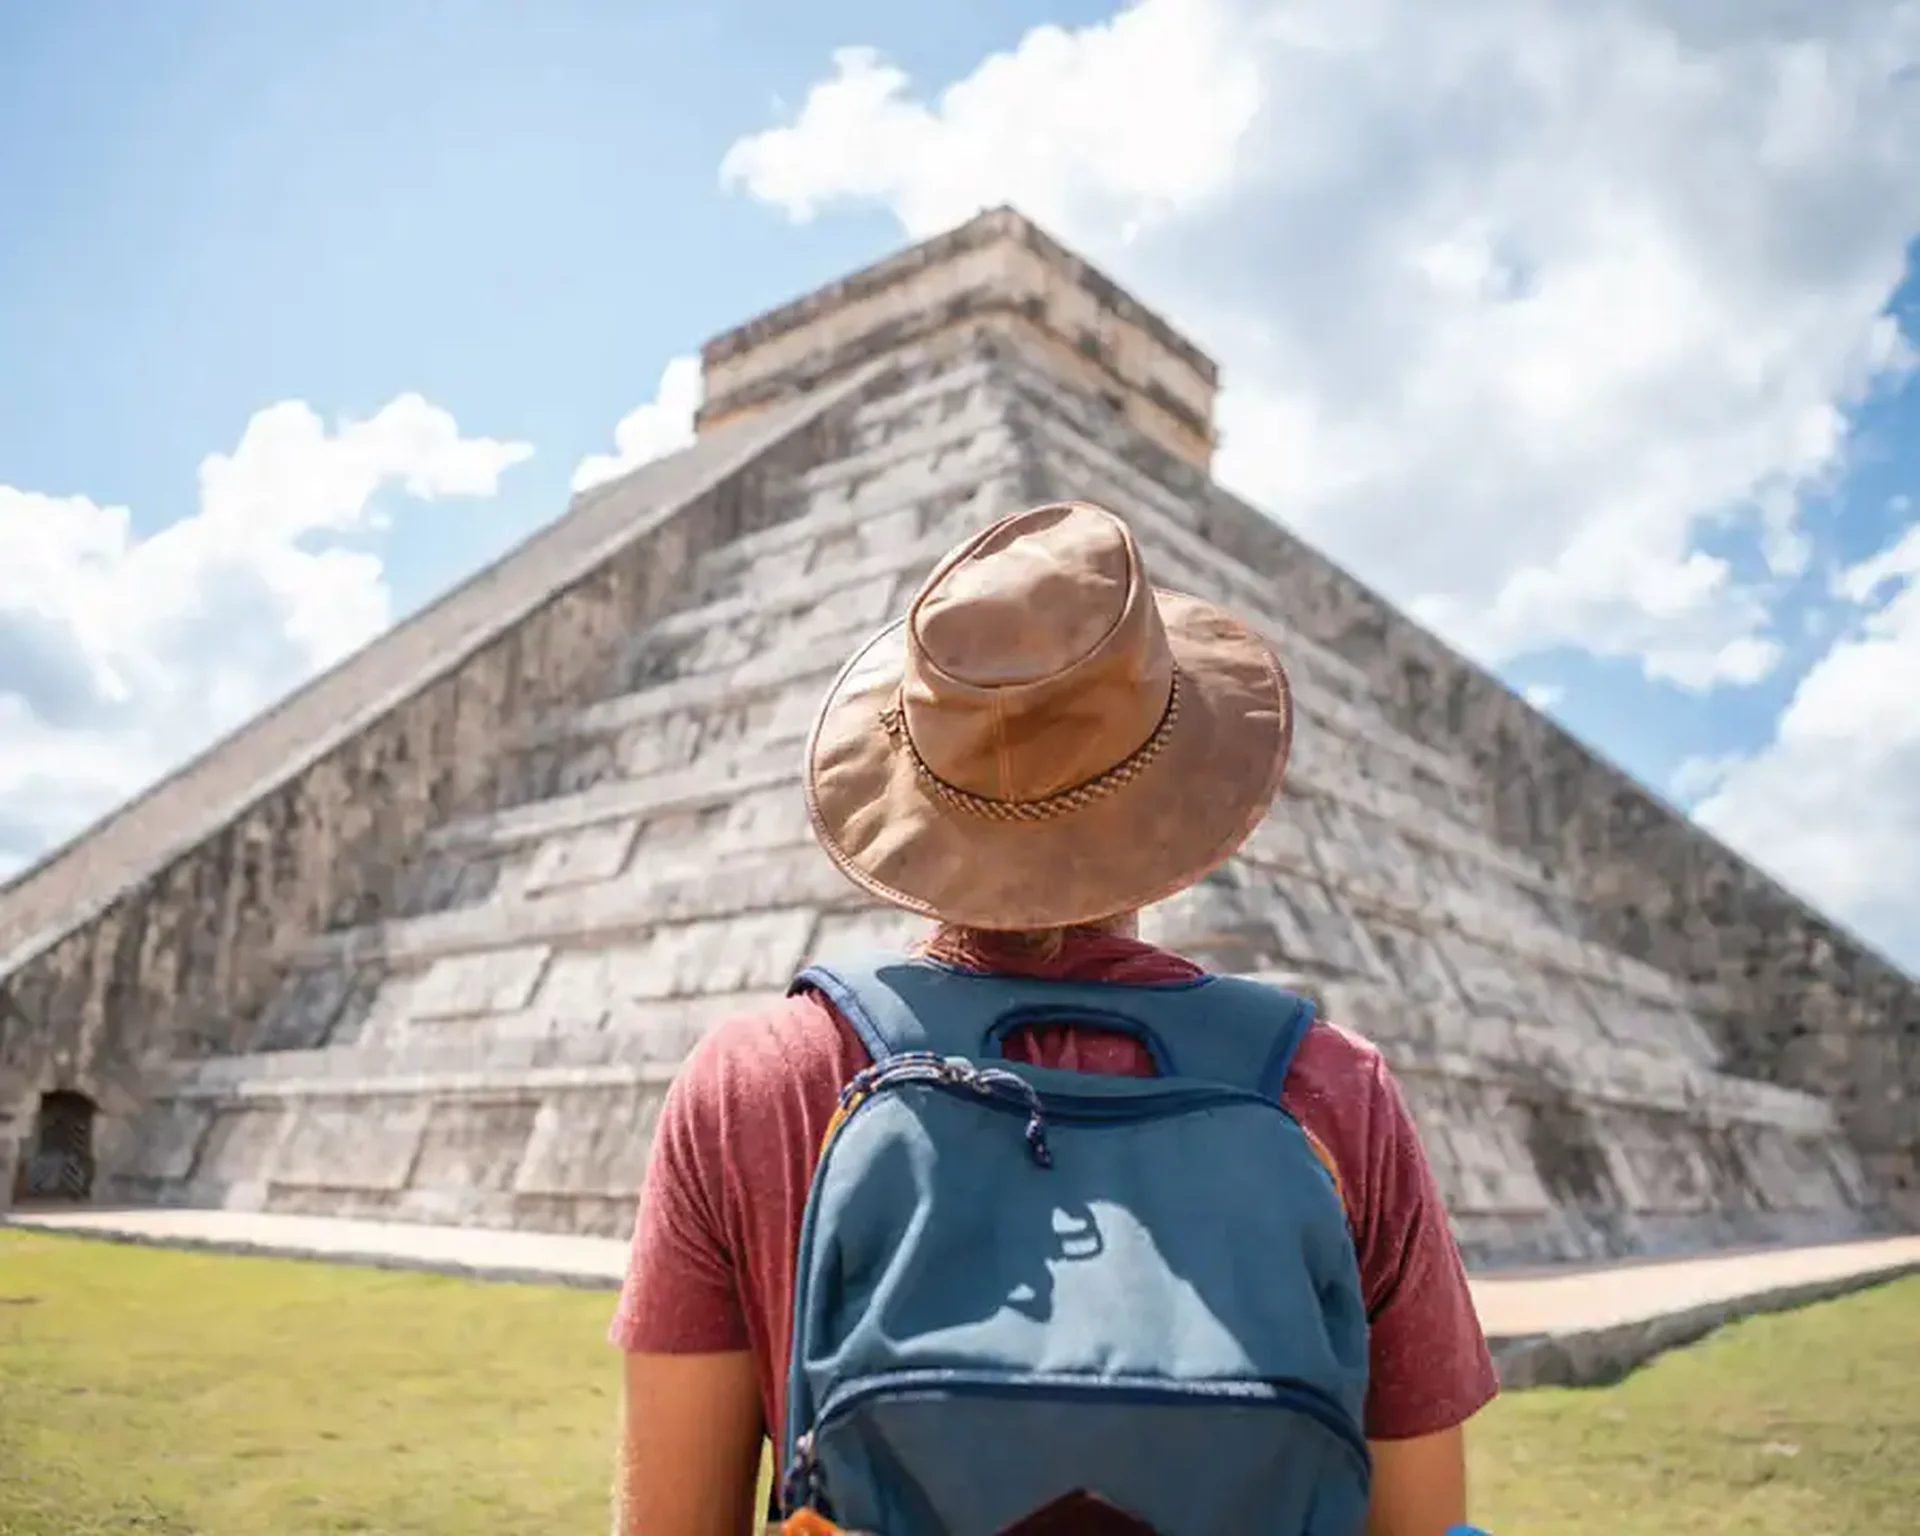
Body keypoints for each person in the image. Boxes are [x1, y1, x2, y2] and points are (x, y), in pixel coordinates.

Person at [609, 500, 1498, 1536]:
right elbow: (1425, 1520)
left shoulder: (756, 1081)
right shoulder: (1332, 1091)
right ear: (1177, 780)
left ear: (911, 780)